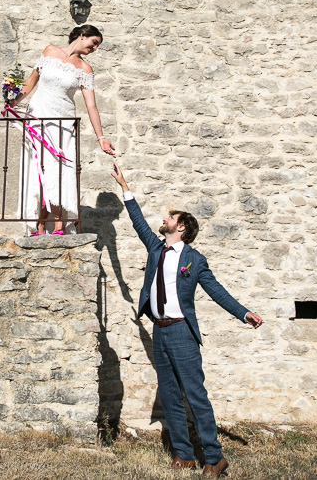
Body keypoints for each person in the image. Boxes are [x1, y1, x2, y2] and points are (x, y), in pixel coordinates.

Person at [110, 161, 262, 477]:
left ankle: (214, 457)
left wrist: (242, 312)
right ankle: (183, 454)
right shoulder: (156, 248)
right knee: (170, 398)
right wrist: (125, 187)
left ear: (181, 227)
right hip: (160, 330)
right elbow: (138, 222)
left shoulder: (194, 260)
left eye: (171, 218)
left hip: (181, 332)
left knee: (195, 395)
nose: (164, 219)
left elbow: (216, 290)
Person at [10, 24, 115, 235]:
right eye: (94, 43)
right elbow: (31, 82)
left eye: (97, 46)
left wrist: (101, 137)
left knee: (57, 171)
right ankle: (38, 223)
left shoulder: (85, 69)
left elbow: (91, 105)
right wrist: (12, 101)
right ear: (82, 35)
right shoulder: (50, 51)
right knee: (36, 170)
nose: (95, 49)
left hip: (63, 124)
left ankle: (59, 223)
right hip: (38, 118)